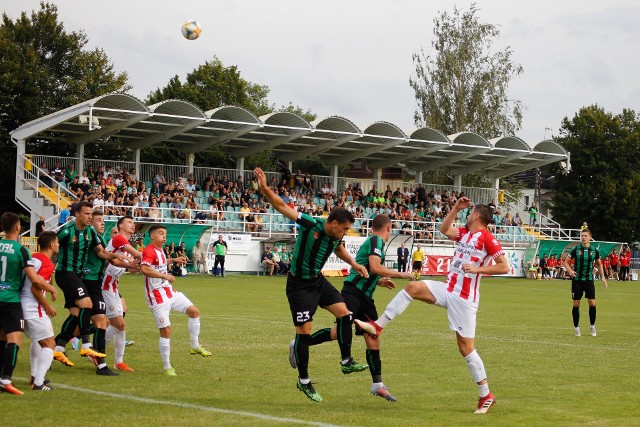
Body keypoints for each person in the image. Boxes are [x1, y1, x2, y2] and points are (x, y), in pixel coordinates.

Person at [355, 198, 509, 414]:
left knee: (466, 348)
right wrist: (455, 208)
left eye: (470, 212)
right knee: (413, 288)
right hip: (448, 289)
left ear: (476, 215)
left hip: (464, 299)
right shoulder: (464, 232)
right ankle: (377, 326)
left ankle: (486, 395)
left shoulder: (488, 239)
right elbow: (444, 229)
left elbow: (504, 267)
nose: (468, 214)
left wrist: (477, 268)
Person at [254, 166, 369, 403]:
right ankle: (304, 381)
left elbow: (339, 249)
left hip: (318, 281)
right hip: (299, 286)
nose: (346, 232)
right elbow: (282, 207)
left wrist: (355, 265)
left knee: (345, 315)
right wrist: (265, 188)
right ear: (334, 222)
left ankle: (346, 361)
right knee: (304, 333)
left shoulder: (337, 237)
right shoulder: (311, 224)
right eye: (345, 228)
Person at [304, 215, 413, 401]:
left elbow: (367, 270)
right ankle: (300, 344)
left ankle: (377, 385)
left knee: (373, 335)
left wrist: (379, 281)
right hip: (353, 292)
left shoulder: (374, 241)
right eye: (391, 229)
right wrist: (401, 274)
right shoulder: (376, 240)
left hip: (365, 296)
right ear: (388, 228)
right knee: (340, 331)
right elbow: (375, 267)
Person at [52, 202, 125, 373]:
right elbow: (50, 245)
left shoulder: (90, 232)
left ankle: (56, 350)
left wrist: (122, 259)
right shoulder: (67, 230)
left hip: (78, 277)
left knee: (77, 315)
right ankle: (86, 343)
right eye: (87, 214)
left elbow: (101, 252)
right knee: (87, 305)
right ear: (77, 214)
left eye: (91, 214)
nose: (90, 217)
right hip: (66, 273)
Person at [139, 224, 212, 376]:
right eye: (160, 234)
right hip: (157, 298)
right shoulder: (149, 250)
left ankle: (195, 346)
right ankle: (167, 367)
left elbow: (160, 263)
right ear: (152, 236)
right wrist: (164, 276)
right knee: (166, 331)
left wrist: (173, 259)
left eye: (165, 234)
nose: (164, 237)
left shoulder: (160, 251)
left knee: (194, 312)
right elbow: (144, 269)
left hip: (169, 292)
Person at [0, 213, 57, 395]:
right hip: (12, 300)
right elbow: (34, 280)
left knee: (3, 339)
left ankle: (29, 377)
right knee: (16, 341)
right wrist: (51, 289)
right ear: (17, 227)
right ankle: (12, 379)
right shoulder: (21, 250)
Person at [21, 231, 59, 391]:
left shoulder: (34, 257)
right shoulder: (47, 262)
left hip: (20, 304)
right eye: (57, 243)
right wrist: (47, 305)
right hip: (32, 306)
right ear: (51, 245)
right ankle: (38, 383)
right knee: (50, 343)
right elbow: (36, 287)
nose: (58, 245)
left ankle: (34, 376)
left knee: (39, 340)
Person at [102, 217, 141, 372]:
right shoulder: (118, 239)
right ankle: (107, 357)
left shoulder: (126, 247)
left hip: (113, 287)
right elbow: (138, 255)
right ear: (121, 226)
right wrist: (158, 259)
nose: (133, 225)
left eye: (133, 223)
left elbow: (132, 268)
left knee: (118, 324)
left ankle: (108, 357)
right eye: (129, 222)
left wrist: (140, 268)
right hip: (104, 286)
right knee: (119, 324)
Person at [563, 228, 608, 337]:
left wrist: (603, 277)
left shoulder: (594, 250)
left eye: (585, 236)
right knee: (576, 304)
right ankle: (576, 328)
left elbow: (599, 264)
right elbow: (565, 262)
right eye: (582, 236)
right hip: (577, 280)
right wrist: (570, 271)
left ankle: (592, 326)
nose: (583, 237)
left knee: (592, 303)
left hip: (588, 280)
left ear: (589, 237)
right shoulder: (575, 249)